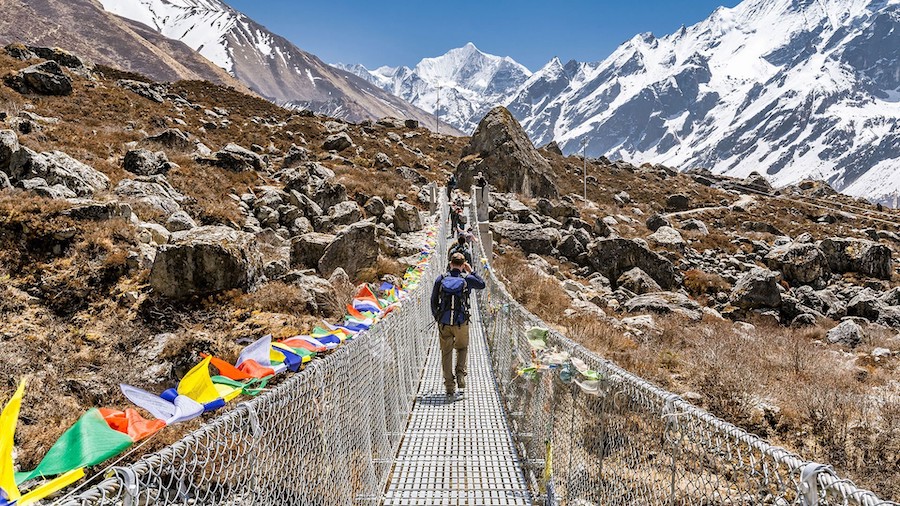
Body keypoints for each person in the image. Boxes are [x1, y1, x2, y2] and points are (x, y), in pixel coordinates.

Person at [431, 253, 485, 396]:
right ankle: (460, 373)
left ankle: (449, 386)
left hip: (444, 322)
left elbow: (433, 300)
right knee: (462, 348)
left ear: (450, 264)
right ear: (462, 265)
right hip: (462, 322)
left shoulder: (441, 279)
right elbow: (482, 284)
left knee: (446, 353)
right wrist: (471, 271)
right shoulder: (467, 279)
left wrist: (437, 316)